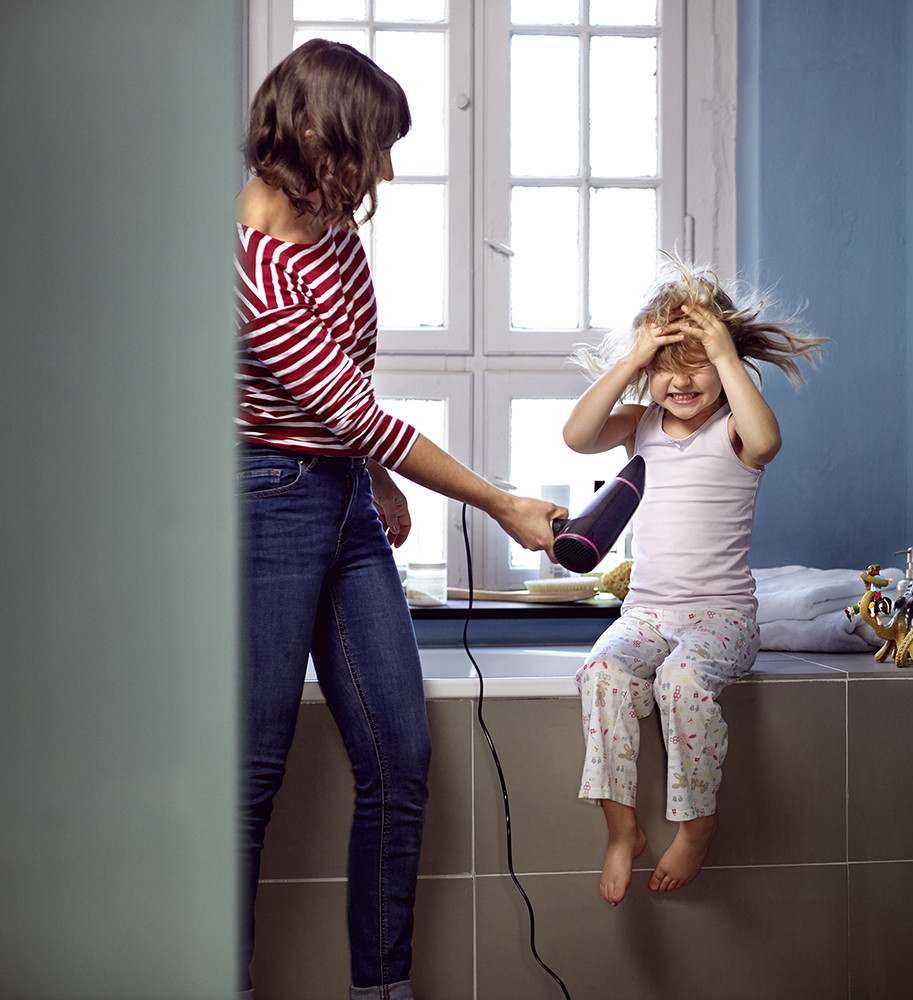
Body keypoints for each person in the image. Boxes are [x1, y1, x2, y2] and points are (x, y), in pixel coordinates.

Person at [235, 39, 565, 1000]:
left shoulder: (330, 226)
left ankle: (381, 991)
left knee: (400, 758)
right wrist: (500, 501)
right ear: (314, 135)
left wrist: (375, 480)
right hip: (267, 503)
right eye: (374, 147)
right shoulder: (253, 267)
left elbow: (350, 383)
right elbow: (352, 409)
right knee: (249, 776)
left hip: (342, 496)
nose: (384, 170)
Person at [563, 256, 827, 905]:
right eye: (665, 366)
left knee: (680, 681)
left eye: (699, 363)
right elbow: (577, 436)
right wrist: (632, 359)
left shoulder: (734, 429)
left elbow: (767, 441)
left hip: (722, 619)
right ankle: (621, 828)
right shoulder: (640, 426)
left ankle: (697, 822)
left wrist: (725, 353)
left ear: (726, 363)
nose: (681, 380)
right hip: (646, 614)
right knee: (602, 673)